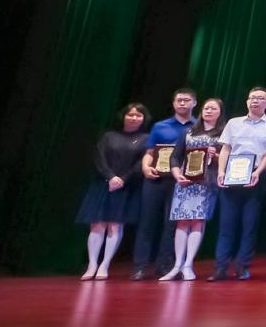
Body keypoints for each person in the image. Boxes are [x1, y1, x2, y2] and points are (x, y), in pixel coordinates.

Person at [212, 87, 266, 281]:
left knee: (249, 224)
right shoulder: (233, 123)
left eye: (260, 98)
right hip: (232, 175)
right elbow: (226, 149)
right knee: (226, 224)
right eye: (252, 98)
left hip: (256, 175)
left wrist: (258, 172)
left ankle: (242, 267)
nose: (255, 101)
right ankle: (220, 267)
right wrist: (221, 172)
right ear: (247, 101)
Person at [77, 103, 149, 280]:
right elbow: (99, 158)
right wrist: (110, 177)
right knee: (97, 224)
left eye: (138, 115)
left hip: (126, 186)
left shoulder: (145, 139)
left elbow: (141, 163)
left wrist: (123, 179)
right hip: (103, 183)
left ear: (144, 119)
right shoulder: (108, 136)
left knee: (115, 225)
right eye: (130, 115)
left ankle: (105, 265)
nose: (134, 118)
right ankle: (92, 264)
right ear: (123, 116)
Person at [132, 89, 196, 280]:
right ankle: (140, 267)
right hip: (156, 178)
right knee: (147, 221)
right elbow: (150, 152)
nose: (182, 103)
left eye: (186, 100)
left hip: (182, 181)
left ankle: (165, 266)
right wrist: (145, 167)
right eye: (179, 100)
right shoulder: (160, 126)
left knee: (172, 225)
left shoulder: (197, 127)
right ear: (173, 103)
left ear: (194, 103)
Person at [161, 98, 225, 281]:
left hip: (207, 182)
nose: (209, 111)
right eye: (206, 108)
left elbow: (227, 158)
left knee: (197, 221)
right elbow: (175, 157)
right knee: (181, 222)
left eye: (213, 108)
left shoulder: (223, 133)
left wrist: (216, 154)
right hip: (185, 181)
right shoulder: (188, 132)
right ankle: (177, 265)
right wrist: (176, 174)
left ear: (220, 112)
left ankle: (188, 265)